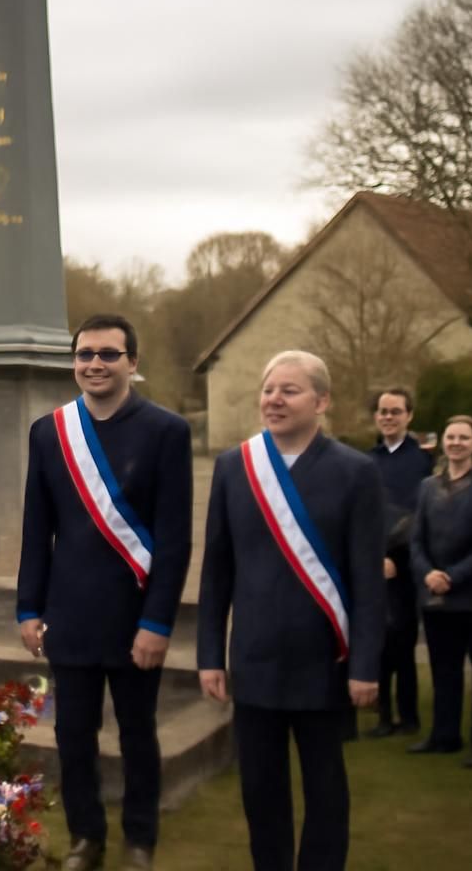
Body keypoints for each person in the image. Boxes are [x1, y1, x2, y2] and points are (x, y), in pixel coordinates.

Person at [16, 314, 193, 871]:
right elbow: (36, 527)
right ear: (74, 362)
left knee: (139, 735)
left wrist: (158, 622)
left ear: (132, 364)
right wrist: (28, 606)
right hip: (70, 616)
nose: (95, 363)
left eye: (109, 354)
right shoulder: (49, 432)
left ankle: (140, 838)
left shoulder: (167, 431)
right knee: (73, 737)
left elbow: (174, 538)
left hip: (136, 617)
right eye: (85, 354)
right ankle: (85, 838)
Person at [198, 350, 385, 871]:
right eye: (268, 389)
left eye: (290, 390)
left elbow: (370, 582)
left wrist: (366, 665)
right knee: (261, 791)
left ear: (322, 401)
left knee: (326, 790)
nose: (274, 399)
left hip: (325, 664)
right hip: (254, 663)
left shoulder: (356, 472)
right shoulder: (235, 467)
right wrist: (211, 655)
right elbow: (217, 572)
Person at [406, 415, 472, 766]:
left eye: (464, 437)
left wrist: (453, 576)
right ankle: (444, 736)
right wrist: (428, 573)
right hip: (434, 597)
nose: (456, 442)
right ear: (443, 441)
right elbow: (416, 539)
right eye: (451, 436)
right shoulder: (427, 487)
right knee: (444, 670)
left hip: (471, 597)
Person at [366, 387, 431, 738]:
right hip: (373, 563)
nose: (388, 417)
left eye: (395, 411)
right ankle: (382, 715)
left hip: (407, 563)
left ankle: (409, 717)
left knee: (403, 642)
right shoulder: (367, 461)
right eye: (382, 411)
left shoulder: (422, 460)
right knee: (378, 641)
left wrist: (397, 557)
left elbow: (421, 513)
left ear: (409, 416)